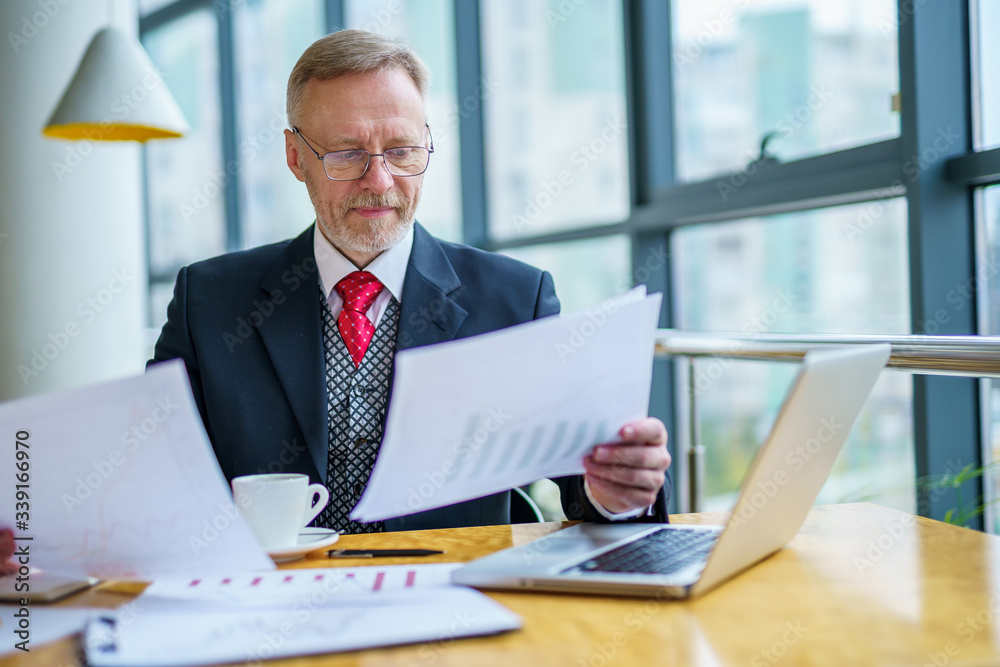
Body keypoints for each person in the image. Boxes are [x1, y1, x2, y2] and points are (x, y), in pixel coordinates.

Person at [150, 29, 672, 534]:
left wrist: (616, 489)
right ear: (295, 158)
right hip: (266, 604)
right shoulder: (210, 303)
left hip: (454, 604)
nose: (378, 181)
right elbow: (156, 478)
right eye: (347, 154)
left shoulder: (516, 301)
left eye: (401, 151)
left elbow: (584, 482)